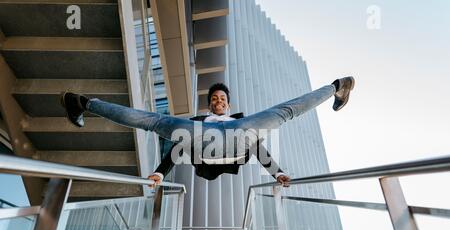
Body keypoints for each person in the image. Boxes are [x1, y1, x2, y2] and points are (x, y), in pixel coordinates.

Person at [60, 77, 355, 188]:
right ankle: (84, 103)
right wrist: (160, 173)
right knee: (153, 121)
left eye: (222, 99)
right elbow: (179, 149)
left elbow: (255, 148)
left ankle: (336, 87)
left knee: (284, 112)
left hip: (237, 136)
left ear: (228, 104)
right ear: (209, 104)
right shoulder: (197, 121)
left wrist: (277, 172)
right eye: (214, 99)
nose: (218, 101)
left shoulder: (238, 119)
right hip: (201, 139)